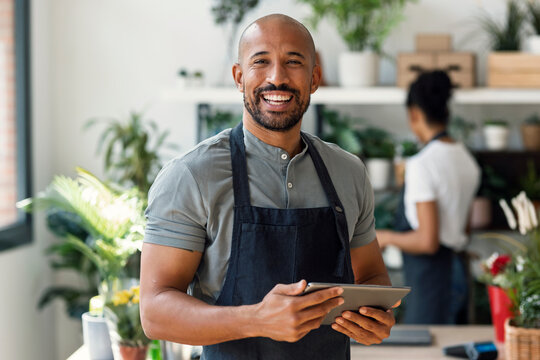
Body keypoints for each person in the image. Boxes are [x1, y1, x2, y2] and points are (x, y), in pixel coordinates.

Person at [140, 13, 396, 360]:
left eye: (294, 62)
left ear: (314, 78)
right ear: (239, 77)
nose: (277, 77)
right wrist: (255, 319)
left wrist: (376, 315)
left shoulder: (347, 172)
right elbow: (155, 312)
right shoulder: (190, 176)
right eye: (261, 62)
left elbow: (372, 277)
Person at [376, 71, 480, 324]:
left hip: (430, 280)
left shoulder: (423, 164)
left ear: (414, 114)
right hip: (458, 274)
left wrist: (384, 237)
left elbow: (428, 241)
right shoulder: (467, 160)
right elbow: (463, 229)